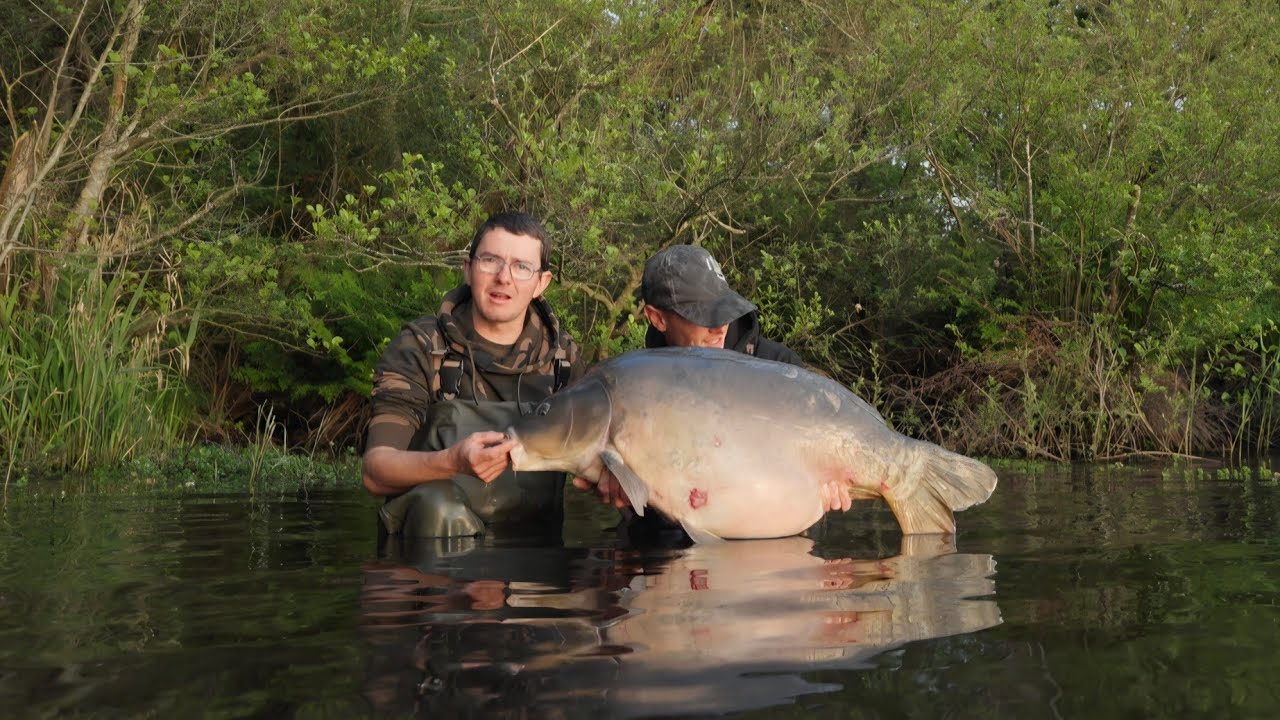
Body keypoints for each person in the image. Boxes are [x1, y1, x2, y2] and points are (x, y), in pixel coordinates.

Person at [574, 244, 851, 539]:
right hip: (677, 554)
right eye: (702, 314)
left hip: (776, 550)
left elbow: (810, 473)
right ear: (657, 318)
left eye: (724, 310)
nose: (720, 326)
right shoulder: (637, 393)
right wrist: (629, 492)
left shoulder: (779, 367)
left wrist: (828, 488)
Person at [363, 211, 584, 538]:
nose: (504, 277)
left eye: (521, 267)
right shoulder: (422, 346)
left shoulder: (564, 360)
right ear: (468, 269)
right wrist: (452, 462)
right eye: (490, 260)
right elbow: (375, 470)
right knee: (439, 508)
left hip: (536, 563)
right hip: (432, 567)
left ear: (541, 283)